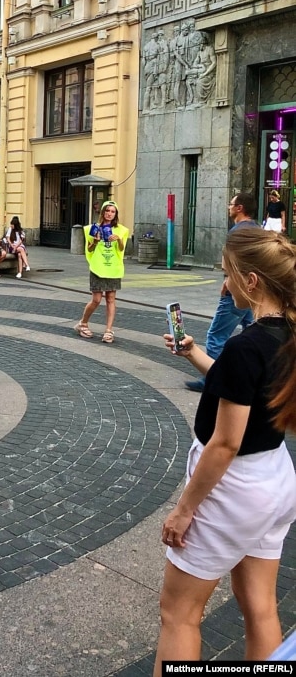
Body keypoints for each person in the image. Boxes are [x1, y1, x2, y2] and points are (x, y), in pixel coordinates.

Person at [154, 227, 296, 674]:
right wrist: (195, 353)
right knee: (261, 608)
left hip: (232, 490)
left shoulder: (243, 346)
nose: (225, 284)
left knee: (178, 614)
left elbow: (225, 442)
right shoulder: (284, 334)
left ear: (251, 281)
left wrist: (184, 509)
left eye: (228, 275)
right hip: (274, 480)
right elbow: (244, 388)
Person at [185, 193, 259, 392]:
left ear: (239, 208)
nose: (229, 207)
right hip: (251, 292)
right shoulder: (256, 229)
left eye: (231, 204)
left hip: (237, 292)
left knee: (216, 335)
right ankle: (247, 372)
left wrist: (228, 281)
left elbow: (235, 261)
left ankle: (212, 377)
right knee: (251, 331)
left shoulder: (237, 232)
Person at [74, 200, 129, 344]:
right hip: (98, 268)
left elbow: (122, 250)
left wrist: (119, 240)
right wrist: (96, 241)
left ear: (116, 214)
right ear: (103, 212)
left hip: (113, 269)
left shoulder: (121, 230)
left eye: (113, 211)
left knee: (111, 299)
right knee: (96, 300)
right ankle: (83, 323)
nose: (110, 214)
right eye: (107, 211)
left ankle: (109, 330)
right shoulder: (93, 228)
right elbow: (89, 249)